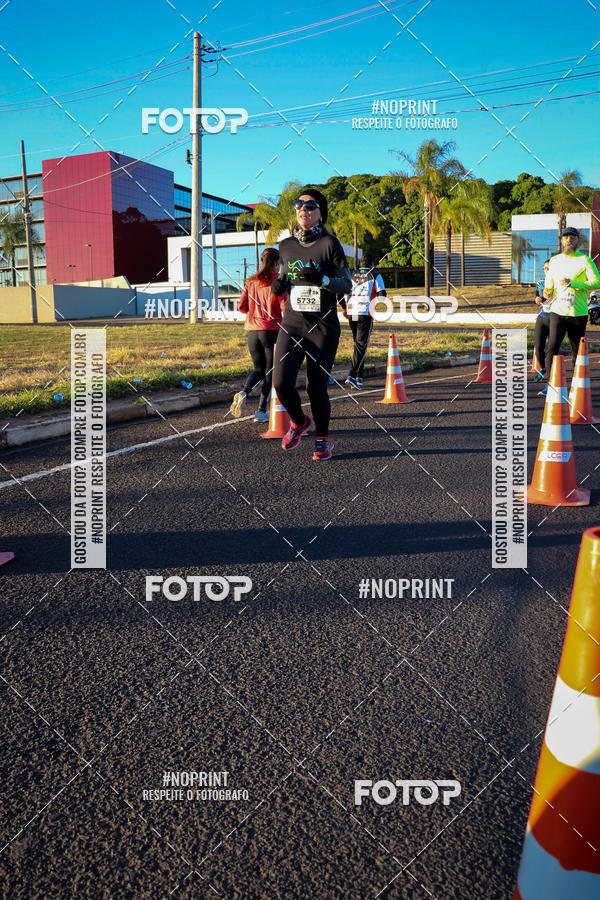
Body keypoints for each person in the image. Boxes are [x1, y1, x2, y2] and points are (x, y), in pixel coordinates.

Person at [271, 187, 352, 460]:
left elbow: (346, 283)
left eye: (310, 206)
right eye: (299, 205)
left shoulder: (330, 244)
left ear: (320, 214)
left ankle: (323, 438)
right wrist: (279, 284)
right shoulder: (285, 246)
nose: (303, 209)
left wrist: (324, 281)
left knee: (315, 387)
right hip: (292, 323)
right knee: (280, 383)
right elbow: (285, 276)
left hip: (323, 326)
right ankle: (299, 421)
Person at [540, 226, 600, 395]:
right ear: (562, 240)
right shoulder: (554, 261)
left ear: (577, 240)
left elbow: (597, 282)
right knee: (552, 347)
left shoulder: (585, 260)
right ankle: (551, 385)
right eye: (566, 237)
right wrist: (547, 291)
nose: (569, 240)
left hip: (578, 313)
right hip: (558, 311)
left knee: (577, 352)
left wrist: (574, 284)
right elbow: (549, 283)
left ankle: (576, 387)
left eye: (572, 237)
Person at [230, 248, 286, 422]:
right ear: (277, 263)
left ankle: (244, 392)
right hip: (271, 331)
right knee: (271, 371)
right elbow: (284, 307)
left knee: (258, 369)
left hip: (252, 331)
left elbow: (242, 306)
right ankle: (261, 411)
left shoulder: (251, 281)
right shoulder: (278, 281)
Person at [343, 254, 385, 390]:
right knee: (361, 345)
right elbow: (382, 295)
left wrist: (345, 307)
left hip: (352, 312)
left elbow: (343, 292)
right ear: (371, 263)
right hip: (364, 312)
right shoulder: (374, 274)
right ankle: (352, 375)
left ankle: (359, 378)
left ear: (361, 263)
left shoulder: (351, 273)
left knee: (357, 344)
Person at [533, 259, 551, 383]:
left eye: (549, 268)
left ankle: (552, 374)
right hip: (542, 316)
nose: (546, 270)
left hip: (556, 318)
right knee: (538, 346)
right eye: (545, 268)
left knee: (552, 348)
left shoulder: (560, 283)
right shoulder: (540, 282)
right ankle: (543, 368)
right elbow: (536, 296)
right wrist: (537, 299)